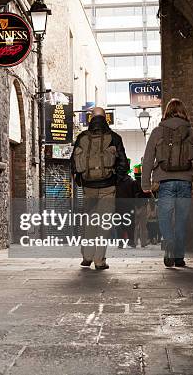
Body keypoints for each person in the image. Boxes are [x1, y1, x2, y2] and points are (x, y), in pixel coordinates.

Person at [141, 98, 193, 268]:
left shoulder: (158, 132)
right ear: (183, 112)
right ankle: (178, 257)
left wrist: (145, 184)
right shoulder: (191, 132)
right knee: (181, 219)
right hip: (185, 181)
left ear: (167, 112)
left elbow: (148, 158)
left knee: (164, 216)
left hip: (164, 181)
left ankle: (169, 242)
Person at [72, 107, 130, 270]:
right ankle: (99, 260)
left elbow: (74, 163)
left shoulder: (82, 137)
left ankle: (87, 257)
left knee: (90, 222)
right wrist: (114, 179)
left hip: (88, 187)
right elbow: (124, 163)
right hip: (108, 187)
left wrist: (81, 181)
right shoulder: (114, 137)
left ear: (91, 118)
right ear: (106, 118)